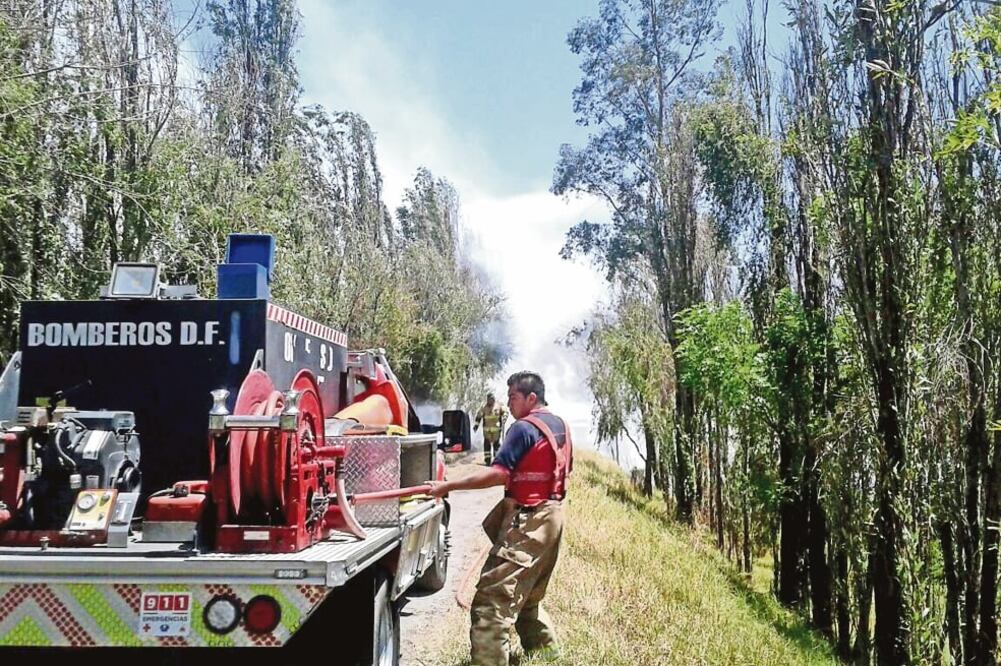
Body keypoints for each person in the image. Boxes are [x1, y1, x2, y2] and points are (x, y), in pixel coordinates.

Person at [427, 371, 573, 665]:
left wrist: (448, 485)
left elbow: (498, 474)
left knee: (491, 603)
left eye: (514, 397)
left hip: (529, 521)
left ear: (531, 398)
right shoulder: (560, 424)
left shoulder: (522, 428)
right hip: (553, 518)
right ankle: (547, 658)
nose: (509, 403)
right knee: (528, 600)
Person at [474, 391, 508, 464]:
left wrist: (504, 417)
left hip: (496, 431)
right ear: (487, 400)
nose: (491, 401)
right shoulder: (484, 407)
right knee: (487, 446)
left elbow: (505, 412)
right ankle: (487, 460)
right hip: (487, 432)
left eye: (492, 399)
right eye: (489, 399)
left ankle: (497, 460)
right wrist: (476, 425)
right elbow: (479, 416)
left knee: (496, 446)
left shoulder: (499, 406)